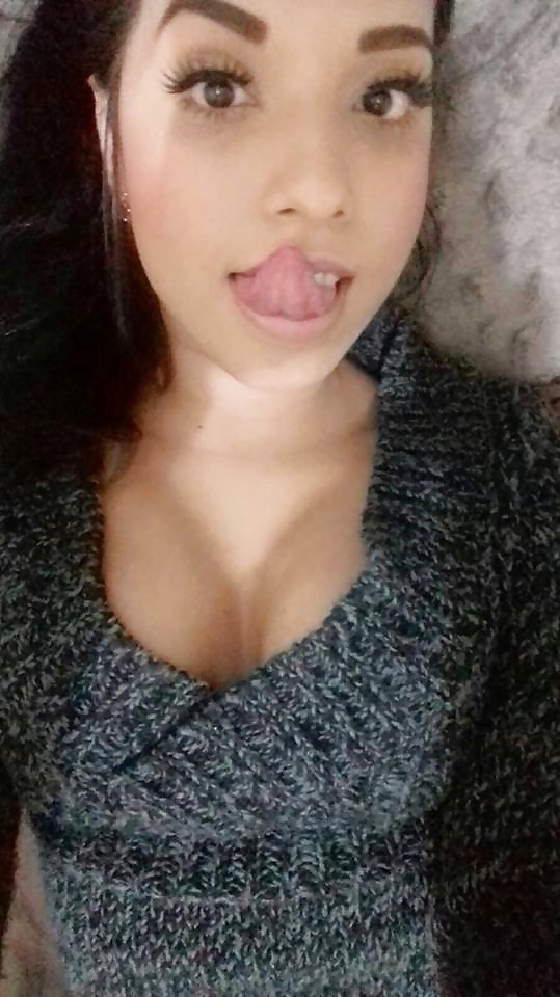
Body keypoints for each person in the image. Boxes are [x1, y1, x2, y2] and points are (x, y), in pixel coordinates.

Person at [0, 1, 558, 995]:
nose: (318, 187)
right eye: (218, 86)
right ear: (105, 131)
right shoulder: (17, 484)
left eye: (383, 95)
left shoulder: (509, 482)